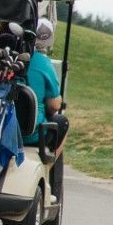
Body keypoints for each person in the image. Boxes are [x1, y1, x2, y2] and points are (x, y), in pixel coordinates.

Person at [24, 18, 68, 158]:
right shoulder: (43, 63)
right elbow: (54, 105)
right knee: (62, 121)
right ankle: (48, 166)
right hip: (32, 134)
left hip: (3, 128)